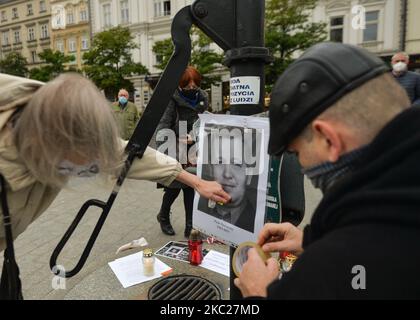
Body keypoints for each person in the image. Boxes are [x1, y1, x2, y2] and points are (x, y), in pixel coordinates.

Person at [0, 72, 230, 299]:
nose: (81, 172)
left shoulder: (59, 117)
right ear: (46, 142)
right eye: (72, 165)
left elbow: (129, 154)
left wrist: (196, 182)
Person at [234, 42, 420, 299]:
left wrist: (258, 294)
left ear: (329, 139)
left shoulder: (334, 267)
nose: (301, 165)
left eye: (297, 153)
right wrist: (313, 241)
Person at [155, 66, 208, 238]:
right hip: (174, 146)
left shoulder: (203, 97)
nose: (192, 87)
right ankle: (163, 216)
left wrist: (196, 137)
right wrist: (166, 151)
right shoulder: (172, 98)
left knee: (190, 186)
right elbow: (163, 125)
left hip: (194, 149)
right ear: (180, 84)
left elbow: (205, 122)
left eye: (195, 84)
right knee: (173, 186)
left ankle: (190, 224)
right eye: (188, 84)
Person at [197, 125, 258, 233]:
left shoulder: (257, 223)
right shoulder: (202, 211)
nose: (227, 174)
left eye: (236, 164)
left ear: (248, 176)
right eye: (220, 162)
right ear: (211, 169)